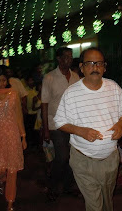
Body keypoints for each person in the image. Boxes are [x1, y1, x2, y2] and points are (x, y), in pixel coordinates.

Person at [54, 47, 122, 211]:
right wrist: (81, 131)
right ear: (81, 67)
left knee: (107, 201)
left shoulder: (114, 88)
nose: (95, 67)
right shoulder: (72, 93)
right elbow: (59, 121)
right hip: (83, 161)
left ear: (105, 67)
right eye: (90, 63)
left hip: (110, 158)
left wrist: (121, 124)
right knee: (94, 205)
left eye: (99, 63)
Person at [0, 65, 27, 211]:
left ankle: (10, 201)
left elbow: (19, 116)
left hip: (12, 135)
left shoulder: (14, 93)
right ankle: (1, 182)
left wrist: (23, 136)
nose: (1, 83)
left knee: (12, 169)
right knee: (0, 169)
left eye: (3, 80)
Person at [41, 47, 80, 200]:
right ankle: (53, 186)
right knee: (62, 157)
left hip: (73, 124)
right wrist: (45, 129)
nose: (69, 59)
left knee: (73, 158)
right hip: (55, 124)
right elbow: (44, 104)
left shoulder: (76, 77)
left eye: (71, 57)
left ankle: (68, 186)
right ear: (58, 59)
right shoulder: (49, 78)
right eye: (65, 57)